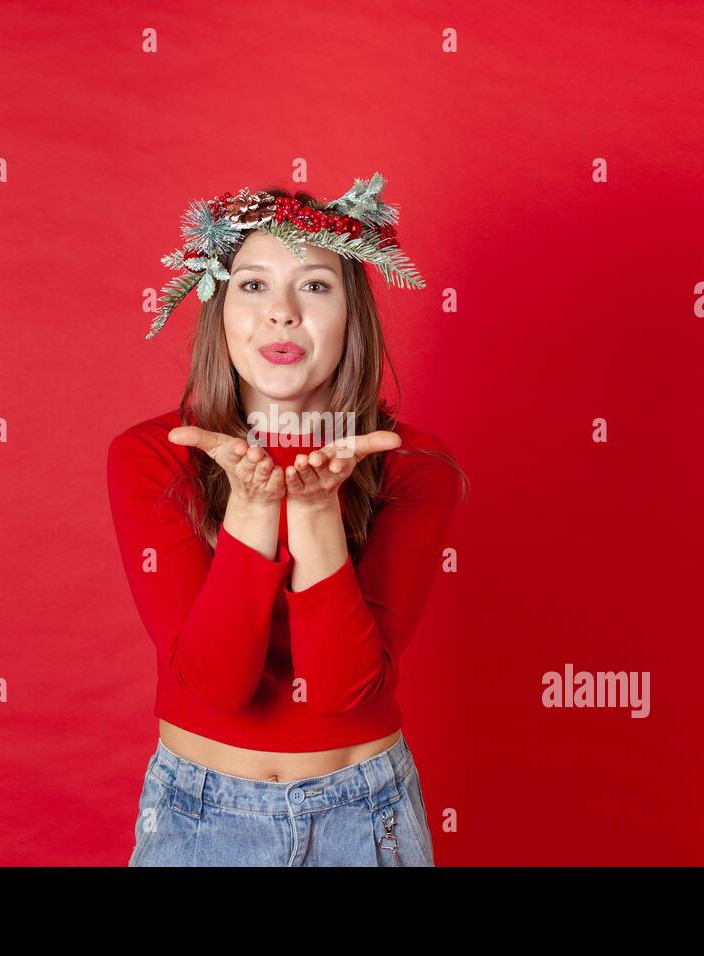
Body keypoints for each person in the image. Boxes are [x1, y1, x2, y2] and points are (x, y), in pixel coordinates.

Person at [107, 173, 467, 866]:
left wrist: (313, 509)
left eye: (314, 284)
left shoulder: (413, 463)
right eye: (252, 284)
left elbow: (342, 692)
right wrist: (252, 505)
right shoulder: (152, 456)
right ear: (217, 306)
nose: (281, 313)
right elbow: (216, 687)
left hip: (365, 821)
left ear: (350, 314)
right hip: (200, 820)